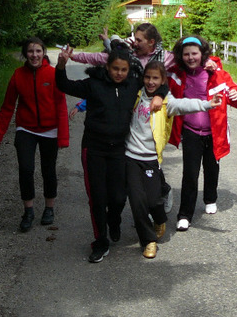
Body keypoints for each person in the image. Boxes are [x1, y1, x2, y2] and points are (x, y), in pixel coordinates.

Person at [55, 46, 167, 263]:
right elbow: (63, 84)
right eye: (115, 69)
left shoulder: (133, 84)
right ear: (107, 67)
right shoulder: (93, 84)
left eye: (123, 70)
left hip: (119, 150)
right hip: (94, 148)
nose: (119, 73)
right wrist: (61, 65)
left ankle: (113, 219)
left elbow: (160, 83)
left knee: (117, 197)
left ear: (128, 70)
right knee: (97, 197)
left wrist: (160, 96)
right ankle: (100, 242)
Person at [125, 61, 221, 258]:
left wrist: (206, 104)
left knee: (153, 201)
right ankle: (149, 240)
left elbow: (183, 103)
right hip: (130, 156)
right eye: (147, 77)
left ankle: (160, 219)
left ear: (162, 81)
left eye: (155, 78)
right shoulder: (135, 94)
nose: (150, 82)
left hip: (151, 158)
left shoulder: (166, 102)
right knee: (137, 201)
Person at [168, 35, 237, 231]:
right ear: (180, 56)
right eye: (186, 54)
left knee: (212, 168)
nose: (191, 57)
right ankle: (184, 215)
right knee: (190, 174)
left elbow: (234, 94)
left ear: (202, 54)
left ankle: (210, 198)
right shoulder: (176, 74)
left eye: (195, 53)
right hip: (190, 131)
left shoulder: (215, 73)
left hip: (214, 132)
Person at [0, 37, 69, 232]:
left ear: (43, 53)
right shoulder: (18, 75)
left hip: (50, 130)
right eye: (30, 51)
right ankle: (28, 211)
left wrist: (63, 136)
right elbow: (8, 106)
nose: (34, 55)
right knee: (26, 169)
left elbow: (61, 105)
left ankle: (49, 208)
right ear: (25, 54)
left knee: (48, 169)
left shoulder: (53, 74)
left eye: (38, 51)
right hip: (25, 129)